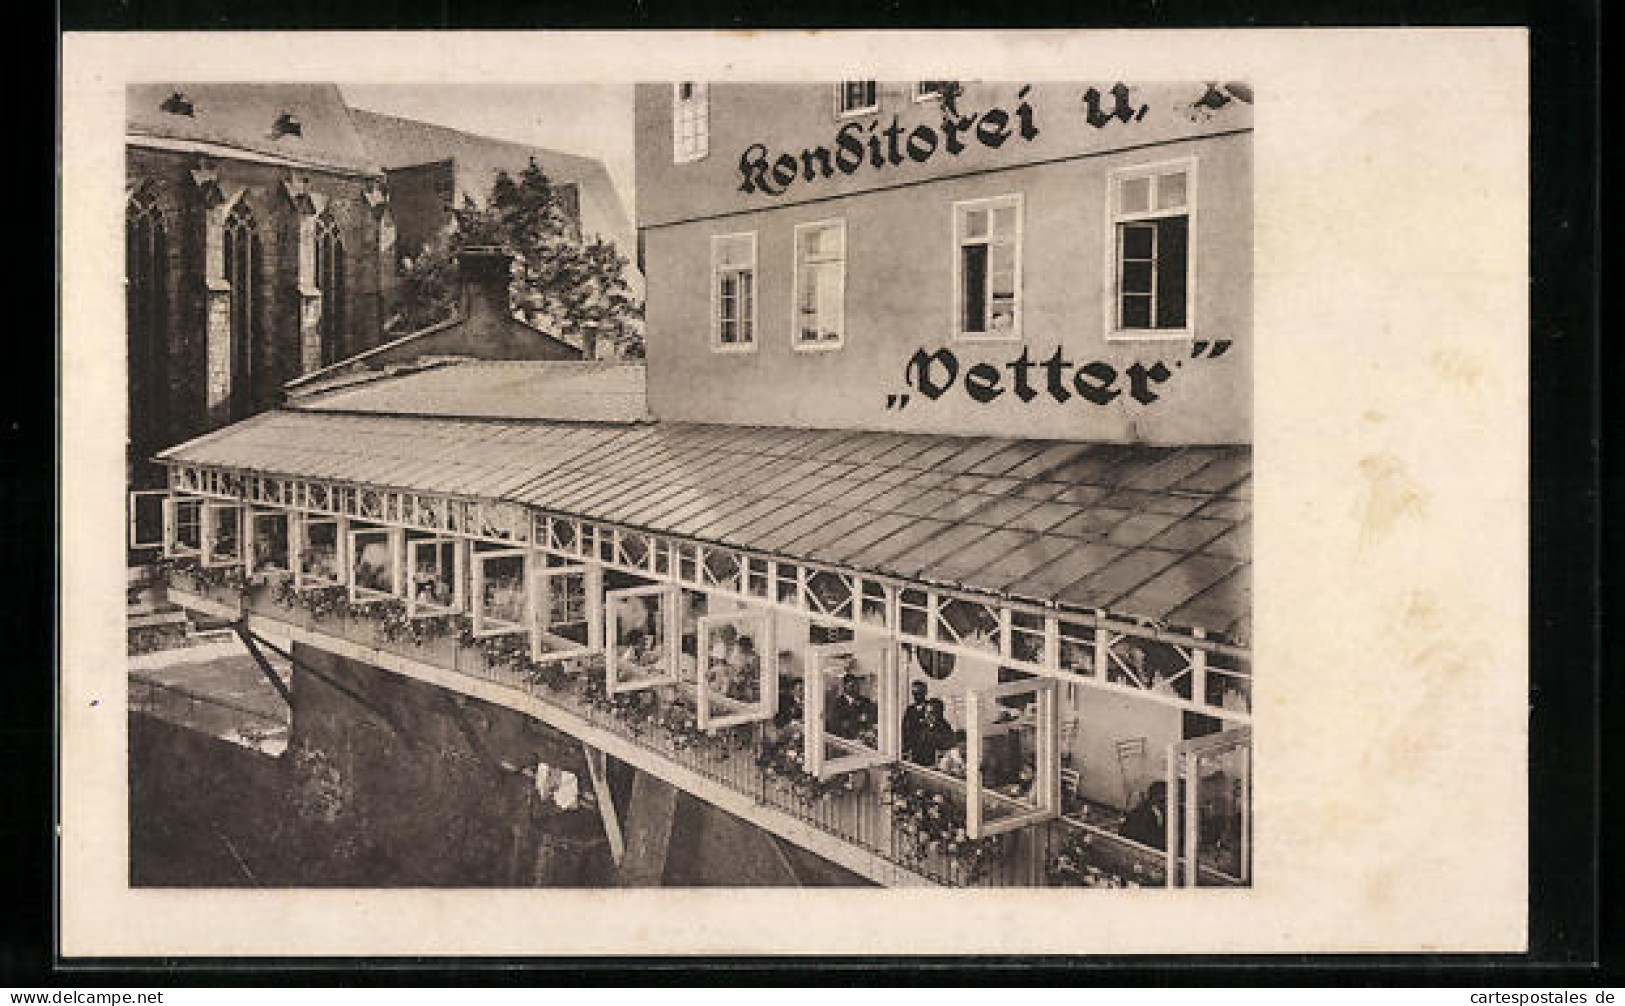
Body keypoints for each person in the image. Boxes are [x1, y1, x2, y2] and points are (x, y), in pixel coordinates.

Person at [905, 697, 957, 766]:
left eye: (932, 713)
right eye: (926, 712)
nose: (927, 716)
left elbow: (946, 752)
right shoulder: (921, 726)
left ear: (940, 714)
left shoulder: (945, 729)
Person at [1119, 779, 1169, 850]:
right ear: (1153, 799)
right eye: (1163, 800)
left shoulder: (1160, 811)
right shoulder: (1143, 814)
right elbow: (1151, 840)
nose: (1167, 803)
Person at [827, 672, 877, 742]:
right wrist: (858, 719)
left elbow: (873, 717)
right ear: (845, 687)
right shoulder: (837, 704)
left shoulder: (865, 701)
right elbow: (836, 726)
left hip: (864, 741)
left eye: (857, 685)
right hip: (845, 742)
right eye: (852, 685)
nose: (856, 688)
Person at [899, 680, 931, 756]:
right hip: (912, 749)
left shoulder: (930, 708)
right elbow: (904, 728)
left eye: (919, 693)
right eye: (914, 694)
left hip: (927, 749)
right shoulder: (910, 709)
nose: (916, 697)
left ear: (925, 693)